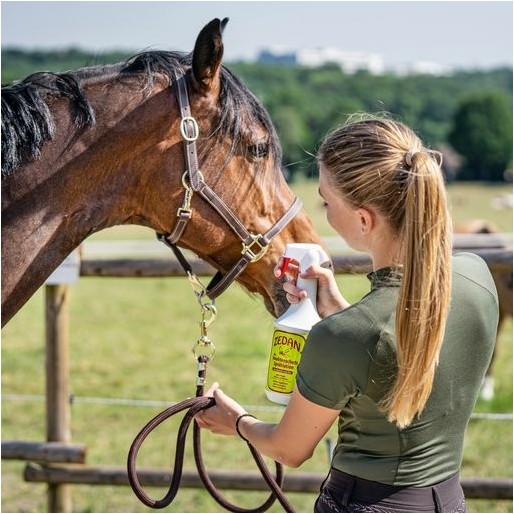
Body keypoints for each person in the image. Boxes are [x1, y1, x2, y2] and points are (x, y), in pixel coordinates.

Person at [195, 115, 499, 513]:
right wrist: (339, 311)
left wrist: (236, 421)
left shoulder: (346, 337)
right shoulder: (478, 277)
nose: (323, 214)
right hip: (448, 502)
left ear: (363, 219)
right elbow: (398, 345)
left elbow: (289, 448)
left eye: (326, 201)